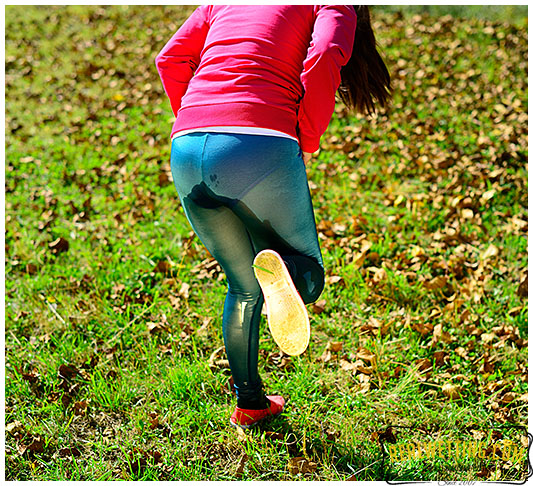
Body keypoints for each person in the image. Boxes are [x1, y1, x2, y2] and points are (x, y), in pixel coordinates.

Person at [155, 5, 390, 429]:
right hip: (260, 143)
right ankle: (288, 270)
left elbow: (169, 58)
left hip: (186, 147)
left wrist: (195, 118)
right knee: (309, 276)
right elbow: (325, 51)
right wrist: (306, 136)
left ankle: (250, 403)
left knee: (243, 286)